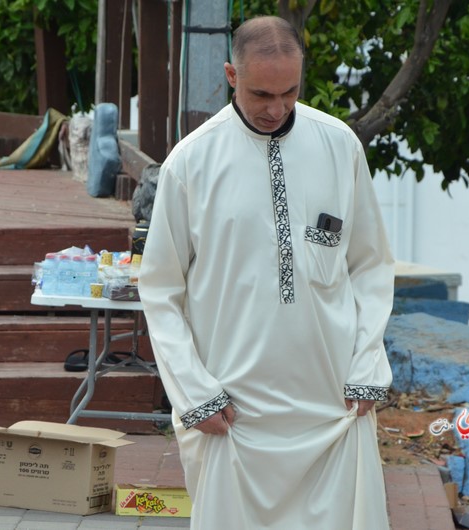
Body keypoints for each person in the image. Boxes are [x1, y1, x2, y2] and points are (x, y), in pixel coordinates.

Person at [138, 15, 395, 530]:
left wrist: (367, 366)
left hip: (332, 409)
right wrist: (193, 393)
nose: (277, 109)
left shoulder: (338, 145)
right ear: (231, 76)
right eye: (261, 94)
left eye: (290, 92)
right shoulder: (190, 164)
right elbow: (162, 289)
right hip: (233, 416)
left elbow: (370, 265)